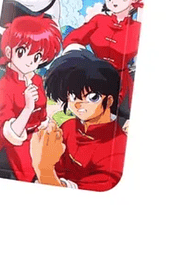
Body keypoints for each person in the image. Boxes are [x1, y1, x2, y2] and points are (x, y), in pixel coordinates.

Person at [31, 50, 127, 191]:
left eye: (92, 97)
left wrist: (43, 167)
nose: (78, 104)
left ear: (109, 100)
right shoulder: (68, 126)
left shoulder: (117, 145)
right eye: (72, 96)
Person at [0, 14, 61, 182]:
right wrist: (28, 108)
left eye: (37, 57)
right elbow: (8, 134)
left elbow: (42, 113)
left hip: (37, 141)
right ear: (9, 51)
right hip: (14, 150)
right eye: (22, 52)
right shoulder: (3, 87)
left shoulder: (36, 79)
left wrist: (46, 124)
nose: (30, 62)